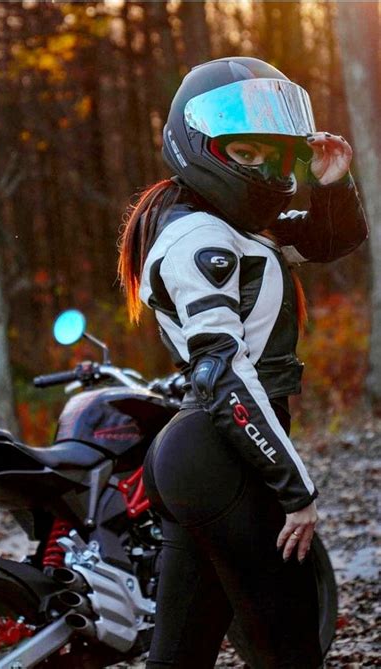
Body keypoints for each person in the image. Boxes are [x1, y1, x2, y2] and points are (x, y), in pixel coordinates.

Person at [118, 57, 368, 669]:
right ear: (200, 145)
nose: (263, 169)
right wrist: (295, 489)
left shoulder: (232, 228)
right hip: (219, 453)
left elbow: (333, 240)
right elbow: (221, 373)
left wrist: (332, 180)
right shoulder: (198, 237)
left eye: (269, 155)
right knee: (289, 650)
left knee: (180, 655)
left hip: (207, 453)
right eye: (246, 154)